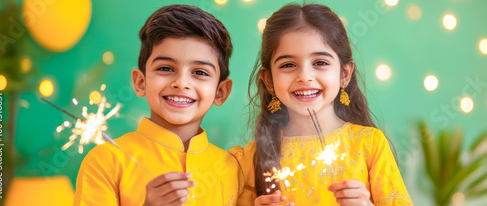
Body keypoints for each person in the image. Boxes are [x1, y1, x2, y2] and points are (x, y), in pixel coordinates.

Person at [230, 4, 413, 206]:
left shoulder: (370, 145)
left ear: (344, 74)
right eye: (288, 65)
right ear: (268, 80)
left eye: (320, 62)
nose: (305, 77)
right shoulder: (249, 159)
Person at [74, 4, 240, 206]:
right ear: (140, 82)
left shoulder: (234, 168)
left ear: (220, 92)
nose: (181, 83)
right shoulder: (105, 161)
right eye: (165, 68)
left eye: (200, 72)